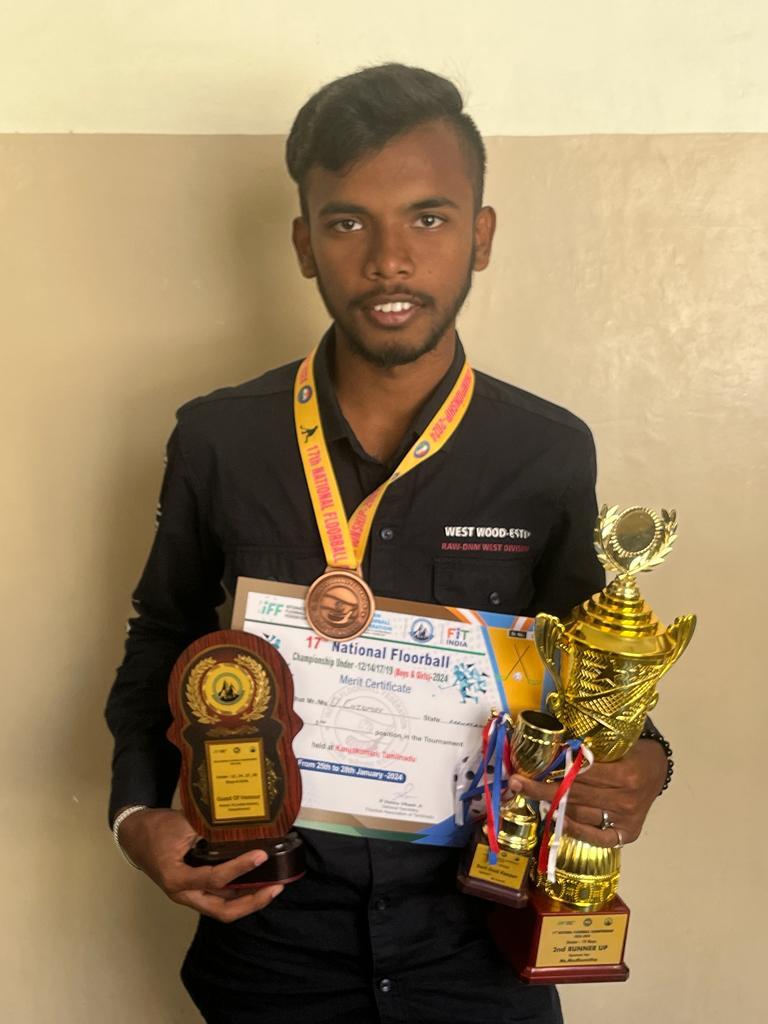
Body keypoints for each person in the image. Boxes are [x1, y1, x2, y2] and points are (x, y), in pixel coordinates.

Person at [106, 64, 670, 1024]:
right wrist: (136, 817)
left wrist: (643, 757)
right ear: (304, 244)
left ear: (481, 236)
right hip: (271, 936)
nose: (389, 260)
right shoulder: (218, 439)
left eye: (429, 218)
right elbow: (162, 632)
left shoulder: (544, 451)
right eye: (347, 222)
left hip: (478, 944)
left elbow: (589, 662)